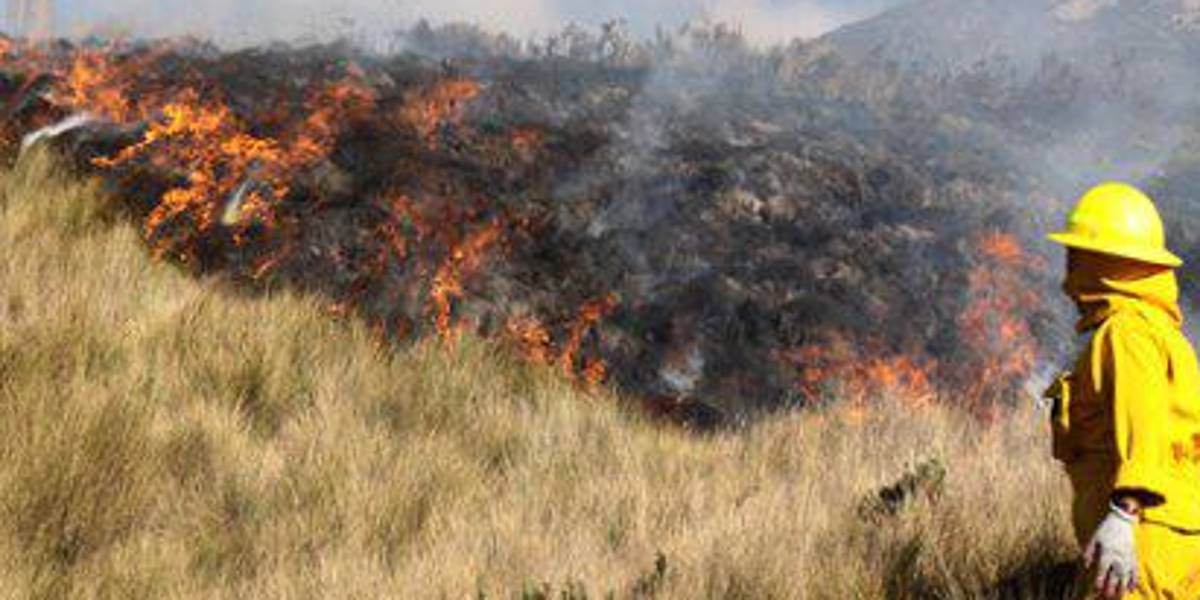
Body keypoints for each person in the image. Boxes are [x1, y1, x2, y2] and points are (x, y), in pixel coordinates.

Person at [1046, 182, 1200, 599]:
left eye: (1076, 255)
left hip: (1145, 538)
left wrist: (1124, 514)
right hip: (1174, 534)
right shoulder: (1160, 333)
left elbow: (1143, 422)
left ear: (1102, 262)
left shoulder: (1126, 332)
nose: (1069, 270)